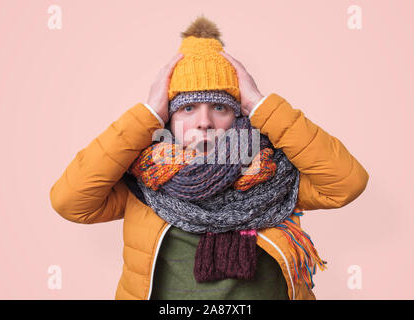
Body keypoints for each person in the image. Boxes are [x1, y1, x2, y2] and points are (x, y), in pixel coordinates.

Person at [49, 15, 369, 300]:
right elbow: (70, 202)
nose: (204, 122)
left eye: (219, 107)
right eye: (187, 108)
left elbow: (347, 183)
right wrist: (145, 115)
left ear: (239, 115)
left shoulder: (275, 174)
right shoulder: (143, 184)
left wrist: (261, 104)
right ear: (168, 120)